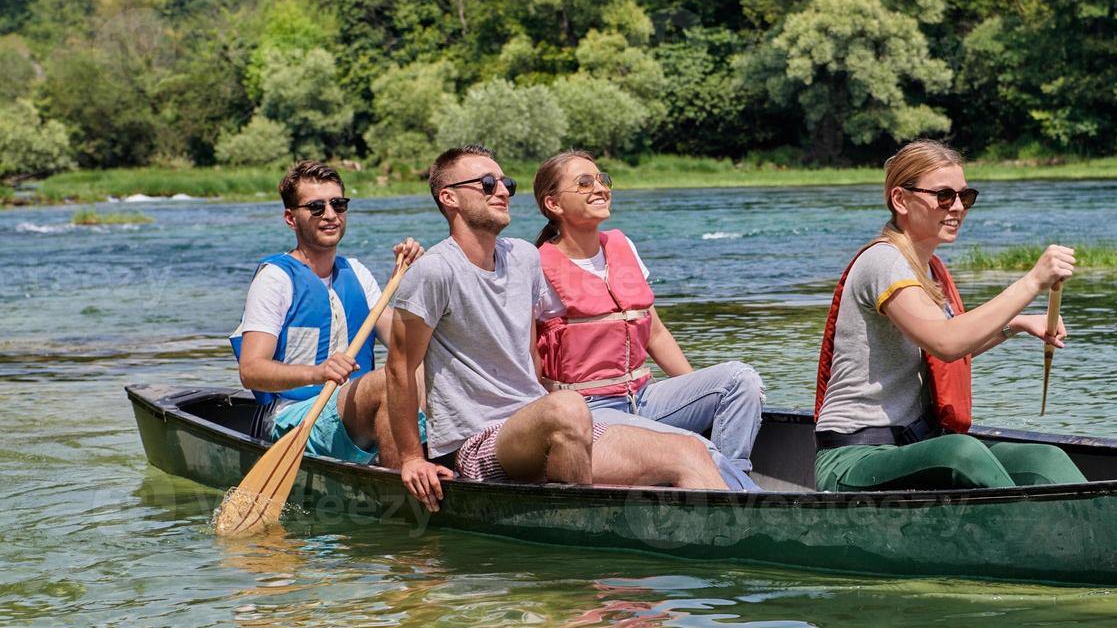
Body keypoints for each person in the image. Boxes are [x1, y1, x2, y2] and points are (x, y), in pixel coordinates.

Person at [386, 145, 735, 512]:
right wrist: (411, 457)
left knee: (690, 451)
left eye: (507, 182)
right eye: (487, 184)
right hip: (479, 442)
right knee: (568, 406)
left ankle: (734, 546)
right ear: (449, 197)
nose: (503, 191)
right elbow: (399, 367)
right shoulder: (435, 271)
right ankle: (580, 536)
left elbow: (534, 348)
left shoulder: (523, 257)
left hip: (543, 424)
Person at [812, 140, 1088, 492]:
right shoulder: (883, 262)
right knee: (961, 452)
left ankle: (1107, 535)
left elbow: (946, 350)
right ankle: (1030, 532)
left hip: (912, 447)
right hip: (854, 459)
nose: (958, 207)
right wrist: (1032, 281)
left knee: (1043, 459)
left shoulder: (930, 270)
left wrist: (1015, 325)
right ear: (901, 200)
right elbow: (945, 342)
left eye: (965, 196)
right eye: (944, 196)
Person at [531, 151, 765, 477]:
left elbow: (655, 333)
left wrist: (695, 396)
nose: (600, 188)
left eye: (602, 179)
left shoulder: (622, 245)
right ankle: (740, 495)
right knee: (698, 448)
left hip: (645, 397)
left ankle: (730, 481)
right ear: (553, 204)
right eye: (584, 183)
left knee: (740, 380)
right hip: (590, 411)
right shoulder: (536, 268)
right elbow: (531, 364)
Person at [230, 160, 424, 466]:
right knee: (386, 381)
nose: (330, 215)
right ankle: (400, 491)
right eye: (316, 207)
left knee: (425, 371)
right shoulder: (276, 278)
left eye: (338, 204)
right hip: (291, 418)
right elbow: (251, 370)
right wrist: (317, 372)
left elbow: (407, 346)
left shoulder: (357, 272)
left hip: (354, 411)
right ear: (291, 218)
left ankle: (419, 468)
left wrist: (411, 279)